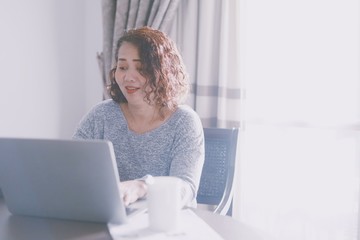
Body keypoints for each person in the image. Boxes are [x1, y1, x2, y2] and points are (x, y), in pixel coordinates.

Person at [73, 26, 204, 208]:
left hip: (167, 223)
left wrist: (142, 186)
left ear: (163, 72)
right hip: (110, 220)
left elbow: (185, 188)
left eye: (140, 68)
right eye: (122, 67)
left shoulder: (184, 121)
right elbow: (71, 166)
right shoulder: (101, 115)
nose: (128, 77)